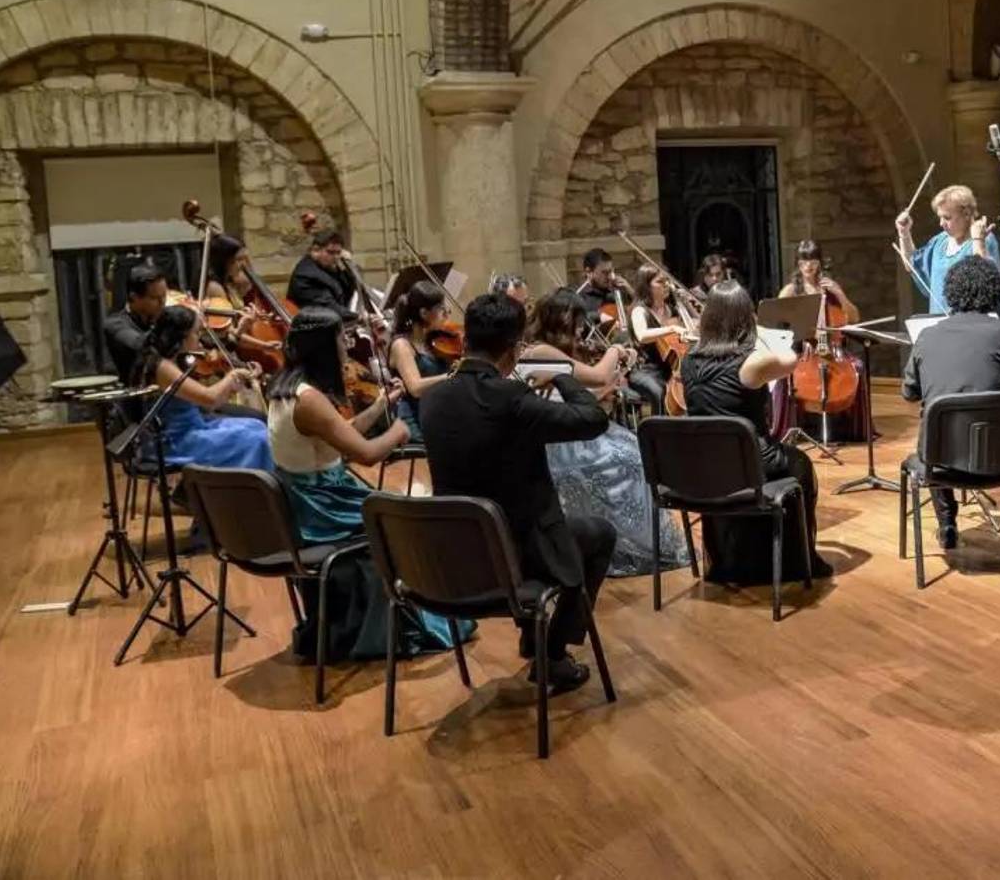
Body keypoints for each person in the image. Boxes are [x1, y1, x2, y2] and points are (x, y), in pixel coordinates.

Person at [420, 292, 617, 694]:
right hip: (515, 554)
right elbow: (593, 418)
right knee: (597, 535)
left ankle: (536, 638)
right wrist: (561, 374)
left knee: (536, 524)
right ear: (512, 349)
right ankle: (553, 654)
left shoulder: (432, 399)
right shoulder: (511, 399)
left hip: (453, 558)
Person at [265, 308, 467, 659]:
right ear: (325, 348)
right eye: (341, 339)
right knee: (405, 520)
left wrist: (380, 406)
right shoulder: (310, 399)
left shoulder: (286, 387)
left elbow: (337, 435)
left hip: (310, 494)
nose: (347, 344)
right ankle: (408, 623)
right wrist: (399, 431)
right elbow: (367, 454)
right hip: (321, 505)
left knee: (394, 508)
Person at [520, 289, 689, 576]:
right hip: (560, 443)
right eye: (577, 320)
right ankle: (630, 545)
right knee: (630, 460)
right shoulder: (539, 351)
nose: (582, 328)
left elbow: (590, 394)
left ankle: (637, 544)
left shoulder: (558, 352)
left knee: (636, 454)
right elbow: (597, 377)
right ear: (561, 319)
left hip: (575, 434)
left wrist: (611, 385)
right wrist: (616, 350)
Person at [679, 281, 834, 584]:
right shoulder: (748, 365)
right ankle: (798, 560)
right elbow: (789, 359)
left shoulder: (688, 362)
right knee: (800, 463)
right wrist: (759, 327)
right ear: (744, 318)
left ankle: (734, 557)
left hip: (704, 468)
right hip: (749, 462)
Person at [901, 256, 1000, 550]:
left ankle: (947, 522)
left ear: (951, 293)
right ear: (994, 292)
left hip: (941, 462)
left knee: (934, 424)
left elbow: (910, 393)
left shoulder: (928, 337)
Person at [129, 304, 274, 474]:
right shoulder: (163, 367)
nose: (200, 338)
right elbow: (209, 399)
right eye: (196, 332)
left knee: (256, 426)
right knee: (258, 438)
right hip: (176, 441)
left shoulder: (172, 359)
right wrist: (231, 377)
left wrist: (236, 382)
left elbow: (208, 403)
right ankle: (246, 491)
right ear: (182, 337)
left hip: (193, 428)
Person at [777, 239, 866, 441]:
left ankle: (850, 428)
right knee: (784, 375)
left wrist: (840, 294)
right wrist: (801, 336)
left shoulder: (831, 289)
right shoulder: (791, 291)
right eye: (803, 262)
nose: (808, 266)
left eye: (813, 261)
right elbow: (778, 323)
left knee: (858, 367)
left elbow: (854, 318)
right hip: (803, 351)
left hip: (833, 351)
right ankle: (793, 426)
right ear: (798, 264)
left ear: (819, 262)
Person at [896, 184, 1000, 315]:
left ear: (966, 214)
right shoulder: (939, 242)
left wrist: (978, 241)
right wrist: (904, 234)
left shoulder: (983, 238)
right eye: (940, 217)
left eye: (947, 218)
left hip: (971, 325)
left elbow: (984, 283)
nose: (941, 224)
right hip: (941, 326)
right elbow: (912, 265)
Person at [387, 280, 452, 443]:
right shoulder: (402, 345)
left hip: (436, 414)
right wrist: (450, 376)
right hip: (415, 419)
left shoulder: (436, 342)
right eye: (441, 309)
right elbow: (415, 387)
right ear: (424, 313)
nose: (447, 313)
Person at [202, 233, 283, 364]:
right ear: (224, 261)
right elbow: (230, 335)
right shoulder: (215, 288)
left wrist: (264, 320)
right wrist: (263, 345)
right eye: (237, 260)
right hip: (223, 356)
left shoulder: (229, 283)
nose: (242, 265)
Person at [627, 263, 692, 416]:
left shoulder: (671, 309)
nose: (667, 285)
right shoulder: (640, 311)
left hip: (670, 368)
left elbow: (695, 326)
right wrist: (671, 328)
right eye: (660, 282)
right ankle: (658, 433)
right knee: (659, 390)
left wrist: (687, 304)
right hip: (645, 370)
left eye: (667, 281)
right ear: (646, 286)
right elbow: (642, 335)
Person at [104, 262, 167, 384]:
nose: (162, 303)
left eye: (164, 296)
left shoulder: (159, 316)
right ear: (134, 297)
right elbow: (140, 344)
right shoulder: (115, 324)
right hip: (131, 398)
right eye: (155, 298)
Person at [286, 228, 358, 319]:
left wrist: (347, 266)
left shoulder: (329, 268)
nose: (336, 257)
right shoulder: (306, 276)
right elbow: (330, 308)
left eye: (338, 252)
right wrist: (360, 317)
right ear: (315, 251)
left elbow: (352, 291)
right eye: (330, 252)